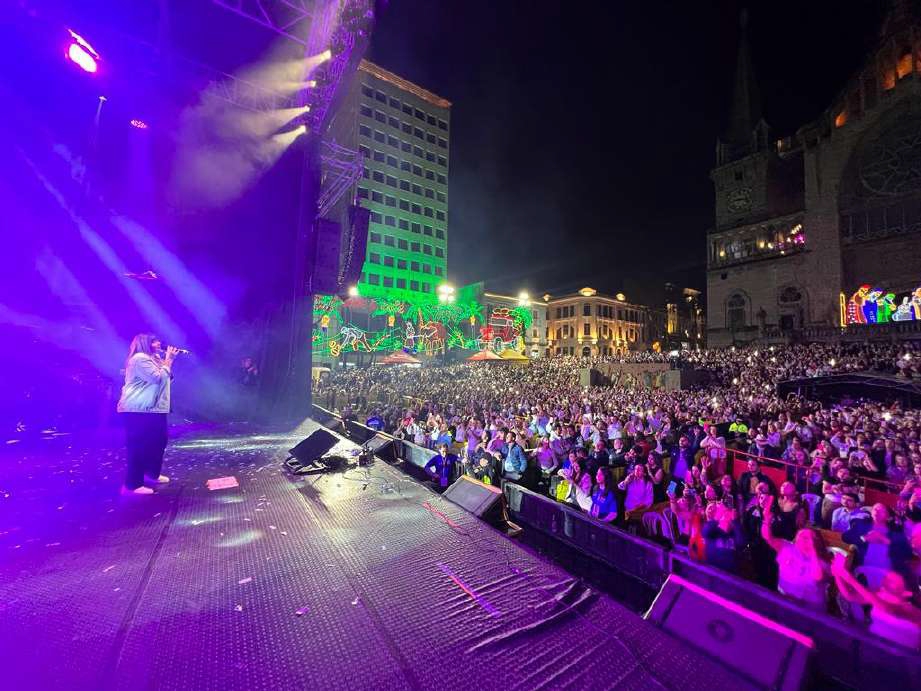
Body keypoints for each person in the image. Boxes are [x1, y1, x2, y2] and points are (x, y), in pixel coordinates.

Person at [116, 334, 177, 495]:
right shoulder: (139, 358)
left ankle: (152, 473)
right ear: (146, 343)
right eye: (155, 341)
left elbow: (167, 380)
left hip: (153, 408)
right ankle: (133, 484)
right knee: (139, 445)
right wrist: (168, 360)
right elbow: (157, 379)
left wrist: (164, 363)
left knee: (159, 441)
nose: (159, 344)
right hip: (137, 408)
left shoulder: (152, 359)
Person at [832, 555, 921, 650]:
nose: (887, 578)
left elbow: (888, 609)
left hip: (899, 659)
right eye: (887, 578)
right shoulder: (880, 595)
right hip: (872, 647)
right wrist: (837, 574)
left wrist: (851, 580)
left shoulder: (912, 610)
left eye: (893, 580)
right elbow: (850, 596)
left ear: (906, 592)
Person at [761, 495, 831, 611]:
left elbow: (818, 577)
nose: (802, 539)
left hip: (810, 607)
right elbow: (768, 537)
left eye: (807, 537)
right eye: (800, 536)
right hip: (785, 599)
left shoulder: (822, 560)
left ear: (816, 541)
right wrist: (766, 521)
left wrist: (812, 550)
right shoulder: (787, 547)